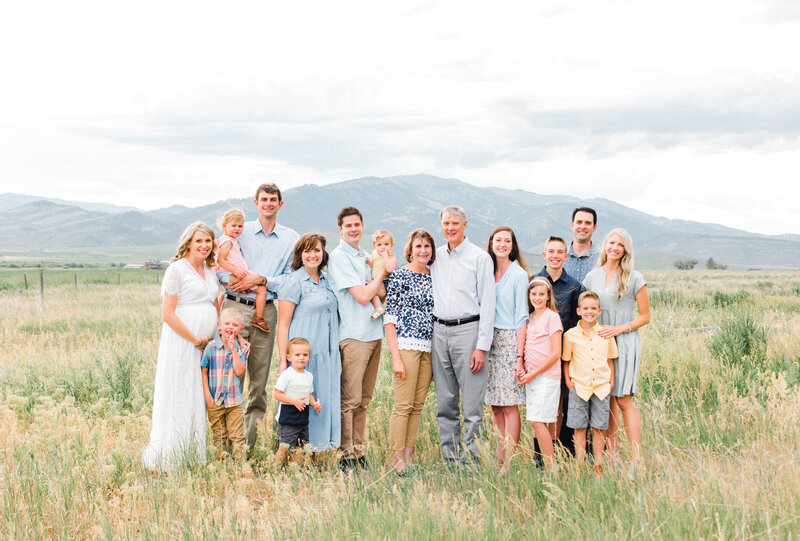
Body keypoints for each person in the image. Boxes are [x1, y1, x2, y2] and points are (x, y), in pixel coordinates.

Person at [219, 183, 299, 452]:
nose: (268, 203)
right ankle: (225, 448)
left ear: (280, 204)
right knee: (229, 378)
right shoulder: (238, 230)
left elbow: (290, 279)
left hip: (266, 311)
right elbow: (218, 265)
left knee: (258, 382)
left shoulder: (290, 238)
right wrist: (234, 280)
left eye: (273, 199)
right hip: (234, 308)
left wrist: (262, 280)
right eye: (263, 199)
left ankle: (247, 450)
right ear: (256, 203)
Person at [143, 222, 220, 470]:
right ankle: (171, 455)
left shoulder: (210, 270)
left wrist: (216, 337)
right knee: (181, 391)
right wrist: (195, 339)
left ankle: (192, 454)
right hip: (183, 342)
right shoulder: (176, 270)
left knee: (198, 394)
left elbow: (215, 305)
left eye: (208, 241)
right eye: (199, 241)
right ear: (188, 243)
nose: (204, 246)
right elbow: (168, 314)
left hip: (207, 344)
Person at [429, 205, 495, 466]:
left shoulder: (480, 258)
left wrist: (482, 346)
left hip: (469, 330)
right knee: (445, 401)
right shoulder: (434, 256)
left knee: (472, 404)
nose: (450, 228)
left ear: (465, 225)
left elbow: (488, 303)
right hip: (439, 332)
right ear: (441, 225)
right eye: (446, 223)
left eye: (455, 223)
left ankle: (472, 460)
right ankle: (450, 458)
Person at [582, 228, 650, 472]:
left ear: (625, 250)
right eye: (611, 242)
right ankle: (613, 455)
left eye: (620, 245)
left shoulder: (634, 277)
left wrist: (620, 329)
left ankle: (636, 459)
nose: (614, 247)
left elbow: (645, 316)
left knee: (624, 401)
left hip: (625, 341)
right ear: (605, 245)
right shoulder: (591, 277)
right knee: (608, 400)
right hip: (601, 343)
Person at [327, 207, 387, 470]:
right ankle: (345, 455)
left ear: (363, 226)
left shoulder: (365, 255)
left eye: (357, 225)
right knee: (349, 399)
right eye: (348, 225)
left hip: (375, 334)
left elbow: (380, 292)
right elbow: (362, 296)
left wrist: (375, 277)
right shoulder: (339, 257)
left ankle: (358, 451)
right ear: (340, 229)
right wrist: (381, 272)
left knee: (364, 399)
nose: (353, 229)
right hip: (354, 335)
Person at [276, 233, 341, 453]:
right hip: (303, 354)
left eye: (316, 250)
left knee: (321, 400)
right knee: (300, 399)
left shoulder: (327, 280)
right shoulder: (294, 281)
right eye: (307, 251)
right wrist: (283, 360)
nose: (312, 255)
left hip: (327, 353)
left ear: (323, 253)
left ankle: (320, 447)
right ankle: (296, 449)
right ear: (300, 255)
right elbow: (283, 324)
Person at [383, 229, 435, 475]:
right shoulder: (400, 275)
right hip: (406, 345)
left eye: (427, 246)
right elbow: (390, 319)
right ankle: (397, 460)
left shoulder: (434, 276)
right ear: (410, 250)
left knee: (417, 406)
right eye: (418, 246)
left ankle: (409, 456)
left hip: (428, 348)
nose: (423, 250)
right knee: (403, 405)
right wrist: (395, 357)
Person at [532, 235, 583, 455]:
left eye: (559, 252)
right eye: (550, 252)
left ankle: (559, 450)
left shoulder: (573, 286)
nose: (555, 256)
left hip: (560, 354)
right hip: (535, 355)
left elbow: (577, 323)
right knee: (537, 407)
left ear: (566, 255)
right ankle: (540, 454)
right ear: (544, 254)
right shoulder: (534, 282)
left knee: (559, 404)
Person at [484, 227, 529, 471]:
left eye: (507, 241)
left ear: (513, 246)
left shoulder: (519, 274)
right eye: (498, 240)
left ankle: (508, 462)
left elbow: (522, 316)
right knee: (495, 404)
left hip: (510, 340)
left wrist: (519, 357)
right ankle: (500, 455)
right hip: (488, 341)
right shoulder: (487, 272)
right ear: (491, 243)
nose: (502, 244)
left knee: (510, 404)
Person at [562, 291, 618, 475]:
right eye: (585, 308)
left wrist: (611, 382)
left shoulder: (606, 333)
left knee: (598, 428)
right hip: (579, 387)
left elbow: (610, 359)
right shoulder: (570, 335)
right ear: (578, 311)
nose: (589, 312)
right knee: (579, 428)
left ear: (599, 311)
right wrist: (570, 383)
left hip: (601, 388)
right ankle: (579, 465)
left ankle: (598, 466)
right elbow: (566, 360)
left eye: (593, 308)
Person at [518, 277, 563, 468]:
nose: (537, 298)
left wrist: (534, 373)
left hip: (546, 376)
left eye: (541, 294)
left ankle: (552, 466)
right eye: (534, 294)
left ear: (548, 296)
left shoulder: (552, 317)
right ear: (529, 296)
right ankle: (541, 463)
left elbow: (556, 353)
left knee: (537, 421)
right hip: (532, 377)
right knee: (536, 422)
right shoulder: (530, 317)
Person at [201, 307, 249, 461]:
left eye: (235, 325)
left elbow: (240, 371)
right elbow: (204, 371)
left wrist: (234, 350)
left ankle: (240, 465)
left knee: (237, 436)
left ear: (240, 329)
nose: (230, 327)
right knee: (219, 435)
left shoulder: (241, 348)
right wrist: (207, 395)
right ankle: (221, 465)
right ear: (219, 326)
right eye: (227, 323)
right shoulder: (211, 347)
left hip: (234, 401)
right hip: (215, 399)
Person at [214, 209, 269, 332]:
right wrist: (235, 271)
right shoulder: (227, 241)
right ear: (224, 226)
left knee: (234, 290)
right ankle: (259, 318)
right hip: (235, 271)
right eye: (233, 225)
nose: (237, 229)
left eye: (240, 226)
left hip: (235, 271)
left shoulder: (230, 240)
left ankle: (220, 311)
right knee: (262, 290)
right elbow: (221, 260)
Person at [273, 337, 322, 467]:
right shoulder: (287, 375)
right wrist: (293, 401)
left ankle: (293, 469)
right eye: (297, 355)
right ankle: (276, 468)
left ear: (309, 357)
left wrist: (314, 404)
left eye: (305, 355)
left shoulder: (308, 375)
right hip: (288, 415)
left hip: (302, 416)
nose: (301, 357)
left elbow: (309, 394)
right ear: (289, 357)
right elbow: (277, 394)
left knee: (300, 446)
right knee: (285, 446)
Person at [562, 207, 600, 285]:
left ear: (594, 227)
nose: (583, 227)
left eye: (588, 223)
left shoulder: (602, 258)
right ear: (572, 225)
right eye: (579, 222)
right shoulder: (559, 256)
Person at [368, 229, 397, 320]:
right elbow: (374, 265)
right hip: (375, 279)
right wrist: (369, 262)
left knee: (373, 290)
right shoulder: (374, 254)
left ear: (391, 245)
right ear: (374, 246)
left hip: (385, 281)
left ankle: (384, 309)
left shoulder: (391, 256)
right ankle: (378, 308)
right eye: (379, 245)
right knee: (371, 291)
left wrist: (385, 256)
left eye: (386, 244)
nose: (383, 247)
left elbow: (390, 269)